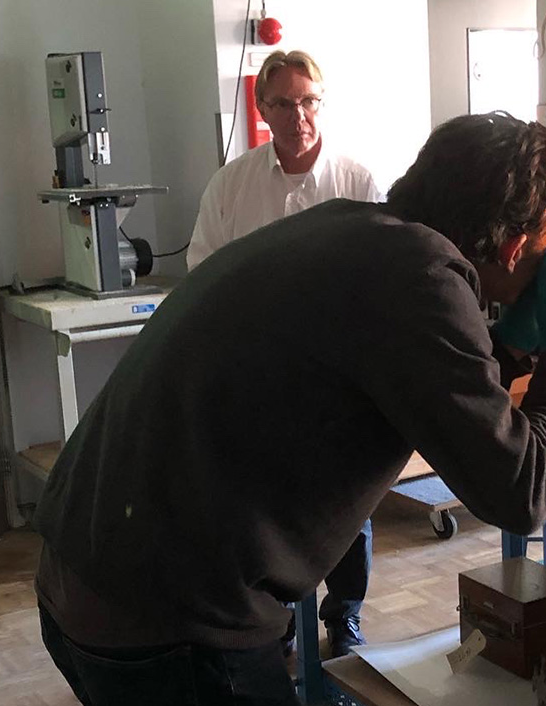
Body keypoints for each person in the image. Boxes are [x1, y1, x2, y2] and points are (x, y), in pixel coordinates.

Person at [33, 112, 546, 706]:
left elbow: (401, 370)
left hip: (86, 578)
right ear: (511, 247)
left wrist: (503, 343)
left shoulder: (354, 233)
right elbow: (523, 492)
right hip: (176, 629)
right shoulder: (417, 278)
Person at [187, 49, 380, 657]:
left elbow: (383, 278)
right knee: (266, 511)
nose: (299, 115)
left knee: (348, 505)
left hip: (339, 379)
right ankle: (274, 623)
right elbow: (202, 273)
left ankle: (343, 615)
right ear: (262, 108)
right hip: (260, 378)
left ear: (320, 104)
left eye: (308, 101)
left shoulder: (356, 182)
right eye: (284, 103)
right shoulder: (232, 185)